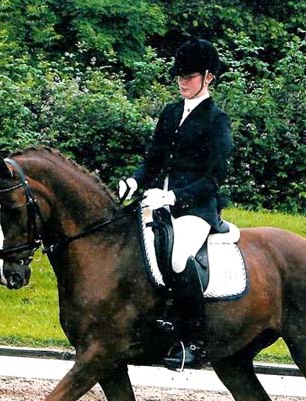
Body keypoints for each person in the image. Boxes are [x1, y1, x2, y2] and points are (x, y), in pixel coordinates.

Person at [119, 38, 233, 370]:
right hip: (158, 201)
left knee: (179, 257)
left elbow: (213, 178)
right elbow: (153, 160)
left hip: (196, 208)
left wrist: (173, 196)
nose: (182, 81)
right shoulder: (170, 113)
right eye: (180, 76)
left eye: (189, 76)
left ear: (208, 77)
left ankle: (194, 341)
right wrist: (134, 181)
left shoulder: (217, 120)